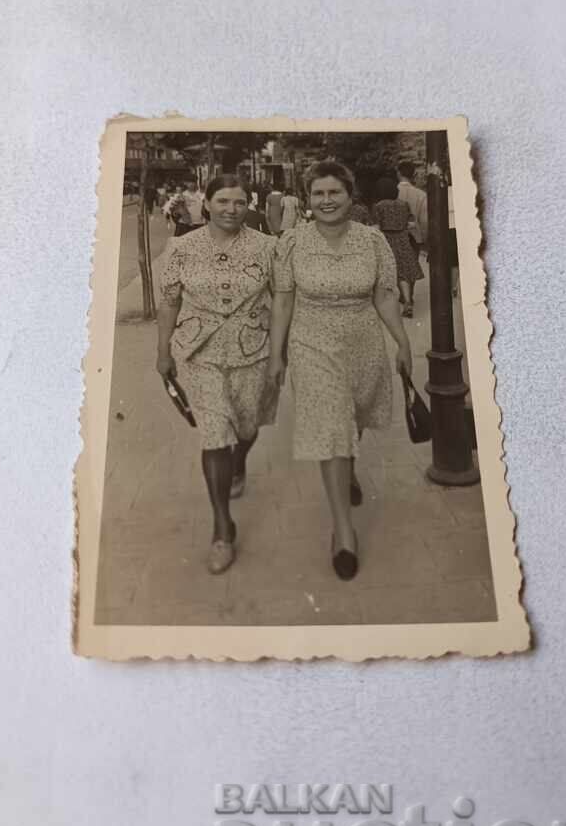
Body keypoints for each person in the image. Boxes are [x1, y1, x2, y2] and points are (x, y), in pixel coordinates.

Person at [268, 160, 412, 580]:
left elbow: (385, 297)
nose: (327, 201)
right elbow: (282, 301)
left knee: (356, 416)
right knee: (331, 425)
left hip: (363, 341)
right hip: (312, 342)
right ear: (308, 200)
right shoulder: (292, 243)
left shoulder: (373, 242)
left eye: (335, 193)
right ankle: (343, 530)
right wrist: (276, 354)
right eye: (318, 194)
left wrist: (404, 343)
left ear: (350, 197)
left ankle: (345, 469)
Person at [156, 175, 277, 575]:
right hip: (198, 352)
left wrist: (281, 352)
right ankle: (222, 528)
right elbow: (170, 302)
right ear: (205, 204)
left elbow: (283, 303)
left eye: (240, 202)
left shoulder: (268, 247)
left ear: (249, 206)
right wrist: (162, 352)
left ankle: (240, 460)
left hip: (252, 350)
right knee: (214, 435)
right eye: (223, 201)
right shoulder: (181, 247)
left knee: (246, 427)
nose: (231, 209)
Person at [372, 174, 420, 317]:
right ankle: (407, 301)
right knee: (404, 273)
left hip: (387, 240)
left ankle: (383, 307)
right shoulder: (403, 204)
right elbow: (411, 223)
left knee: (385, 274)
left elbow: (376, 227)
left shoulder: (378, 206)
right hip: (403, 239)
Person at [397, 159, 428, 278]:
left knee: (397, 268)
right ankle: (410, 294)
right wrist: (423, 238)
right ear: (413, 174)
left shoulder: (393, 191)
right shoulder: (421, 195)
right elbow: (424, 220)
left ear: (398, 173)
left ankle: (402, 295)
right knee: (412, 267)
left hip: (395, 234)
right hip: (414, 236)